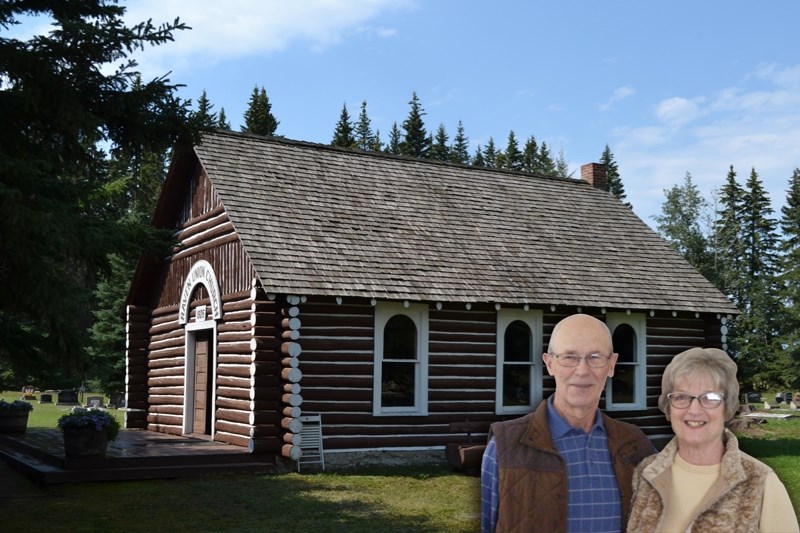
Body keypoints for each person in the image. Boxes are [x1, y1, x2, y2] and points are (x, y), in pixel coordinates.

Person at [480, 313, 655, 532]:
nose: (582, 370)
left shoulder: (636, 444)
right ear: (549, 363)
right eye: (569, 357)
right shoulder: (504, 447)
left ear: (611, 365)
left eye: (595, 357)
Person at [627, 347, 799, 532]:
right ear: (669, 408)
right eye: (681, 397)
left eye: (710, 397)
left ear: (727, 408)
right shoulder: (646, 473)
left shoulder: (760, 482)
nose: (694, 410)